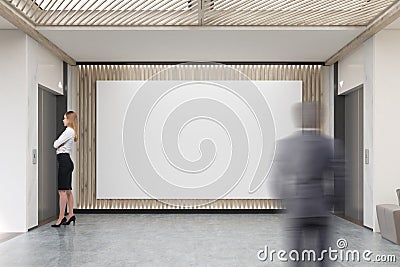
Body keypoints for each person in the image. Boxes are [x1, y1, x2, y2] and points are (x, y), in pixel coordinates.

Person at [275, 102, 343, 266]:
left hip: (297, 209)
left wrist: (288, 202)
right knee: (322, 259)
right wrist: (332, 203)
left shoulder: (286, 145)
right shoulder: (330, 144)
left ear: (297, 119)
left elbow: (277, 180)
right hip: (321, 209)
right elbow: (341, 179)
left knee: (296, 259)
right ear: (320, 119)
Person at [51, 111, 78, 227]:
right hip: (67, 161)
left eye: (65, 118)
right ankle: (70, 214)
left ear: (69, 120)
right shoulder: (71, 132)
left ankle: (61, 217)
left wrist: (59, 144)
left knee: (62, 191)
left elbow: (55, 144)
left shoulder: (68, 131)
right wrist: (59, 144)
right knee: (67, 191)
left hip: (64, 162)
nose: (63, 120)